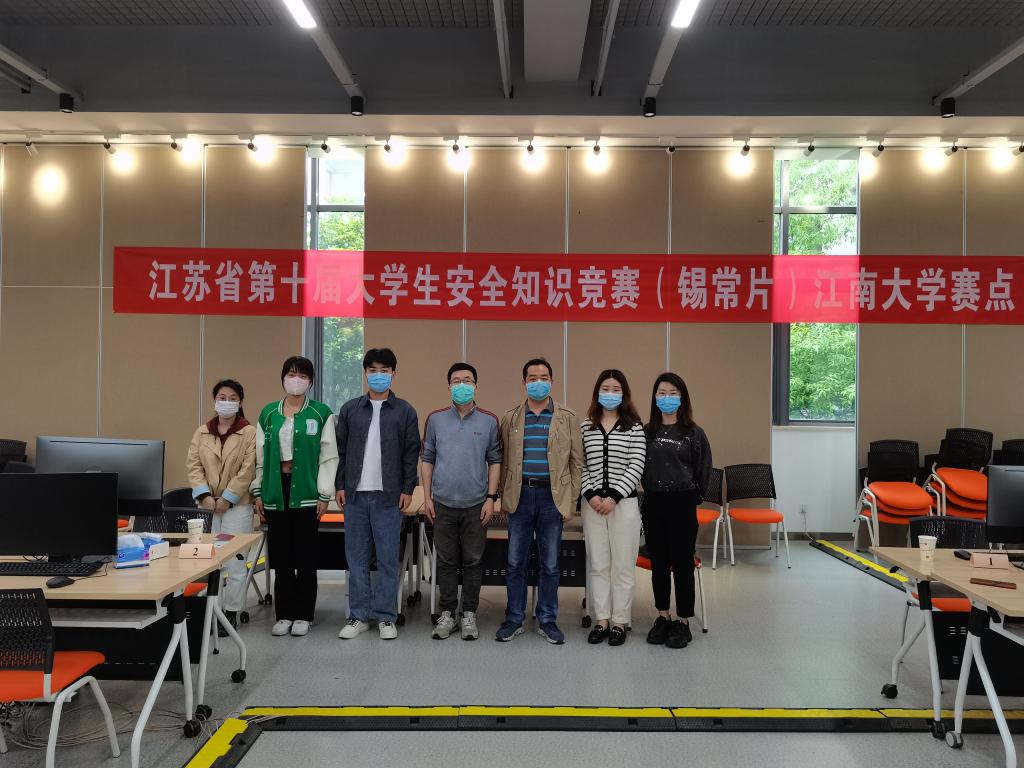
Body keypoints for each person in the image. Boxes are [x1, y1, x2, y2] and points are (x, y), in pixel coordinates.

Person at [496, 358, 583, 645]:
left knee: (550, 564)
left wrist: (571, 502)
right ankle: (514, 618)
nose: (538, 382)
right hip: (519, 497)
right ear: (524, 382)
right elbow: (501, 459)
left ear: (552, 381)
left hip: (552, 498)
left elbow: (576, 463)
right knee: (515, 562)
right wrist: (501, 496)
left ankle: (547, 619)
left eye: (544, 377)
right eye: (532, 378)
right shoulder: (510, 417)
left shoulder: (567, 417)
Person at [335, 348, 420, 641]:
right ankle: (358, 616)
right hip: (355, 496)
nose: (378, 375)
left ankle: (386, 616)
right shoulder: (350, 409)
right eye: (373, 370)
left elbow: (411, 453)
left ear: (394, 373)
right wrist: (340, 485)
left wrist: (408, 488)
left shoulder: (405, 411)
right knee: (356, 558)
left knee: (387, 559)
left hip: (389, 496)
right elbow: (341, 452)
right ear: (365, 373)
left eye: (384, 370)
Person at [251, 357, 339, 638]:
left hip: (307, 491)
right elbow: (260, 456)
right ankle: (284, 613)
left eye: (302, 375)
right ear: (282, 378)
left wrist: (324, 493)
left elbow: (329, 456)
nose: (296, 380)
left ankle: (304, 614)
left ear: (310, 381)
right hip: (276, 489)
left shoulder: (321, 413)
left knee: (305, 554)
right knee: (281, 555)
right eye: (291, 374)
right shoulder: (268, 414)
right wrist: (258, 490)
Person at [422, 363, 502, 641]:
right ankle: (447, 614)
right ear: (449, 386)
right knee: (445, 561)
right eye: (456, 381)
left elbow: (495, 460)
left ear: (476, 386)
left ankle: (469, 614)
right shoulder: (435, 419)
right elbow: (428, 458)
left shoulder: (489, 421)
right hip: (442, 504)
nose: (462, 385)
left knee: (473, 561)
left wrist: (491, 498)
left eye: (467, 380)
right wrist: (427, 496)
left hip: (476, 504)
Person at [641, 372, 712, 650]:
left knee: (683, 564)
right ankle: (663, 616)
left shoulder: (694, 433)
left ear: (682, 398)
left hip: (682, 504)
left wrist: (694, 497)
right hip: (653, 502)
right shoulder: (646, 431)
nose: (667, 398)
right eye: (662, 393)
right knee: (659, 564)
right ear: (654, 397)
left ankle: (683, 621)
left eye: (673, 393)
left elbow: (704, 469)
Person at [580, 370, 647, 647]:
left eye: (616, 388)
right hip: (592, 506)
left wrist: (614, 497)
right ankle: (602, 620)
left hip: (624, 505)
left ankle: (620, 622)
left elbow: (637, 463)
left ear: (624, 393)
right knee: (598, 565)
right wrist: (592, 495)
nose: (610, 393)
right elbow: (580, 463)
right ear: (597, 392)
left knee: (622, 566)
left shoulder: (634, 427)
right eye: (605, 388)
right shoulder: (586, 426)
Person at [187, 379, 257, 636]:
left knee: (235, 563)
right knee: (211, 562)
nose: (227, 402)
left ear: (240, 402)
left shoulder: (249, 432)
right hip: (207, 506)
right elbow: (193, 465)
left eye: (232, 398)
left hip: (237, 506)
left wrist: (227, 498)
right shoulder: (202, 432)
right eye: (222, 397)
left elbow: (248, 469)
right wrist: (204, 496)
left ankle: (231, 612)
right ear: (214, 400)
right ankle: (211, 611)